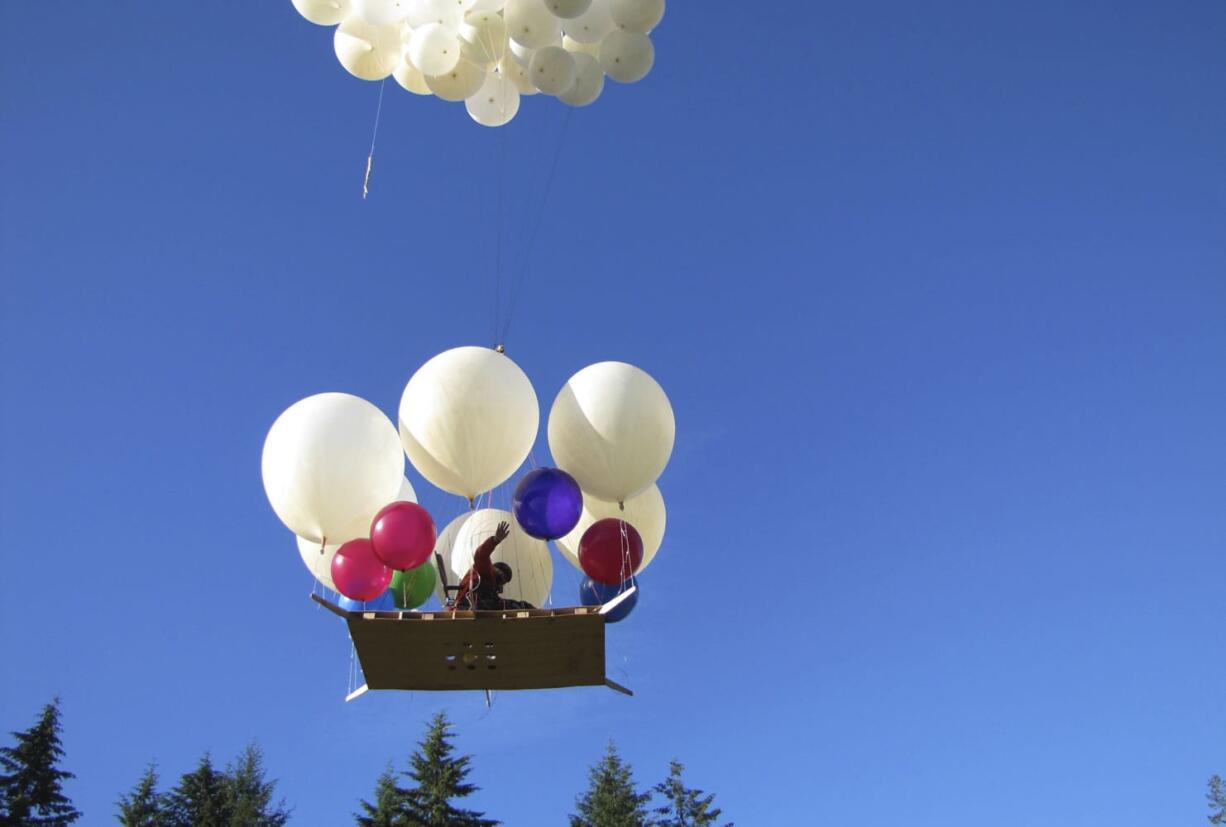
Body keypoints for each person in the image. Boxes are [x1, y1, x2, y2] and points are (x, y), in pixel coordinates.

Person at [449, 521, 536, 611]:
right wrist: (495, 540)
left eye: (505, 579)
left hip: (476, 605)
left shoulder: (492, 587)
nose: (503, 579)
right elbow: (481, 555)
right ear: (496, 568)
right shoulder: (485, 571)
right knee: (519, 606)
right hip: (469, 604)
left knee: (513, 605)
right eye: (503, 574)